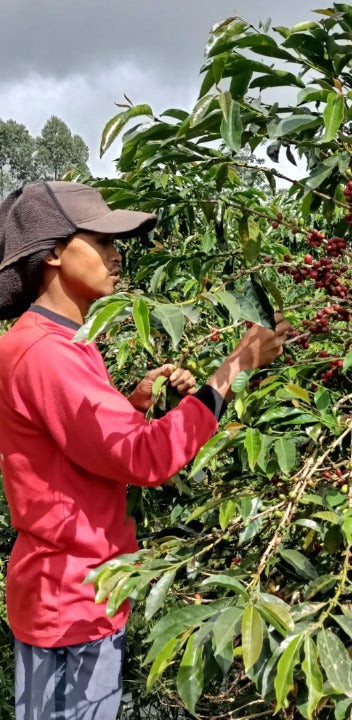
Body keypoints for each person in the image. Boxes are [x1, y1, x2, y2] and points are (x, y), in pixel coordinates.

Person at [0, 180, 291, 720]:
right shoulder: (46, 353)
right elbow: (145, 459)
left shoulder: (56, 342)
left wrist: (131, 403)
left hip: (74, 593)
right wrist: (233, 369)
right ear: (57, 253)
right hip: (72, 603)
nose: (116, 256)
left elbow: (80, 450)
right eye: (101, 241)